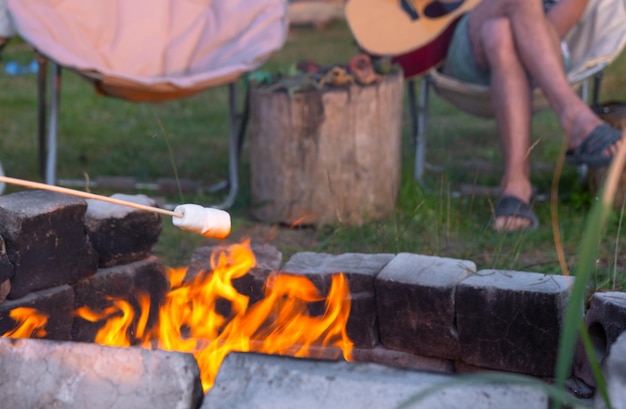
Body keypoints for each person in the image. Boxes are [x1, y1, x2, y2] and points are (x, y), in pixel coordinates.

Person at [442, 0, 624, 232]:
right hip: (468, 43)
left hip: (542, 53)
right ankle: (574, 117)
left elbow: (553, 29)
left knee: (499, 32)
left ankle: (516, 186)